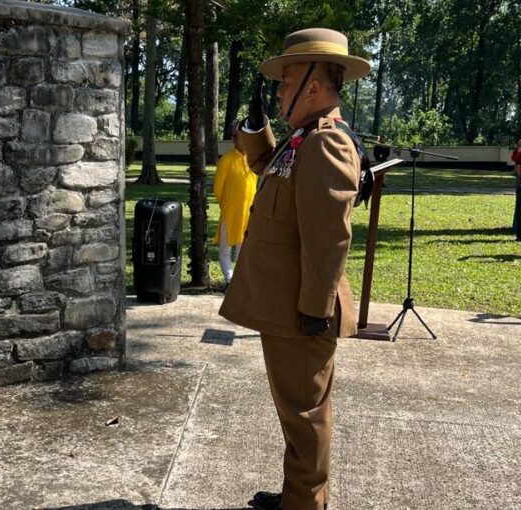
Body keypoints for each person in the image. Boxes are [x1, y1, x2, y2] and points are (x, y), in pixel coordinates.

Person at [219, 28, 370, 510]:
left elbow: (330, 238)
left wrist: (314, 309)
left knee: (306, 414)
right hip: (287, 308)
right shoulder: (301, 138)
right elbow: (269, 168)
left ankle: (305, 505)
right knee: (295, 412)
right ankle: (297, 496)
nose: (280, 91)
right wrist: (256, 124)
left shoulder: (327, 143)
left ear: (311, 85)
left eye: (285, 83)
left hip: (302, 310)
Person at [213, 121, 257, 290]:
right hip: (230, 213)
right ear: (234, 139)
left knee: (242, 250)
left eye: (247, 137)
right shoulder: (226, 159)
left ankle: (239, 282)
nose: (244, 141)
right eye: (241, 137)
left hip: (248, 213)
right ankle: (229, 280)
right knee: (225, 249)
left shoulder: (252, 160)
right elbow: (218, 189)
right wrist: (227, 205)